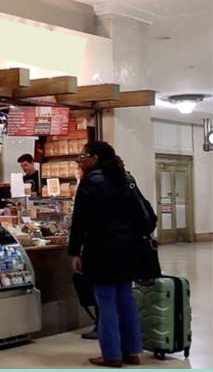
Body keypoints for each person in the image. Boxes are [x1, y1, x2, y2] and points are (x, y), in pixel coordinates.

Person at [69, 141, 146, 368]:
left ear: (94, 158)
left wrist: (75, 251)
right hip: (128, 248)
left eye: (83, 156)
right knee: (126, 299)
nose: (81, 161)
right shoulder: (127, 179)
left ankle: (111, 354)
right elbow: (144, 216)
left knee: (106, 302)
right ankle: (132, 351)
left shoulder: (91, 183)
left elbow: (80, 221)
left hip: (101, 249)